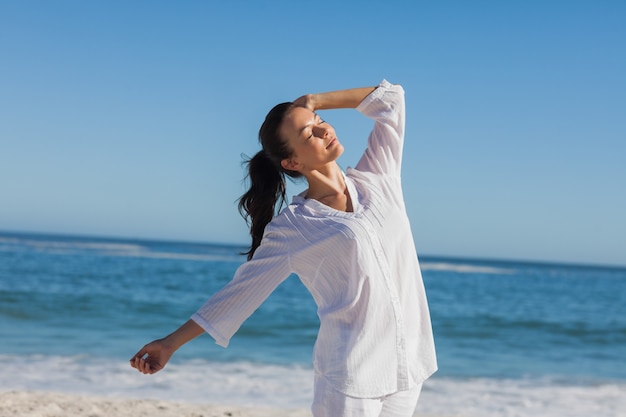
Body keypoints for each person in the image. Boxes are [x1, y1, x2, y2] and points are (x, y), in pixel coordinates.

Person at [130, 79, 437, 417]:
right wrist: (170, 343)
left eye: (319, 121)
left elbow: (391, 100)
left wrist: (314, 99)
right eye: (308, 135)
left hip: (407, 364)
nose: (323, 132)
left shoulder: (378, 178)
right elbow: (241, 294)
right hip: (352, 376)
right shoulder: (294, 226)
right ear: (291, 163)